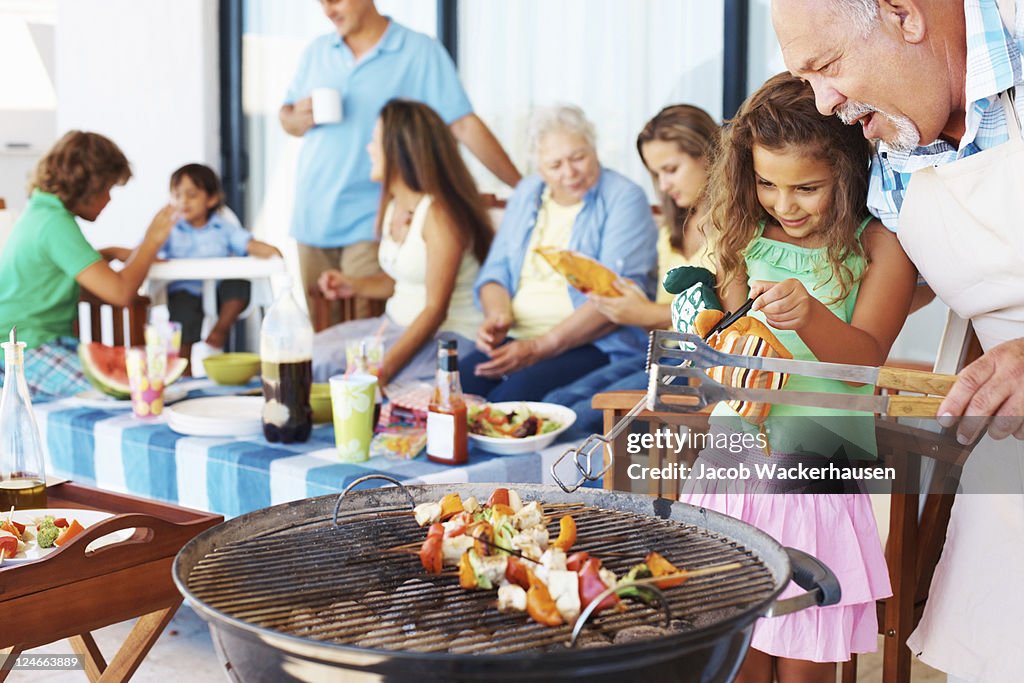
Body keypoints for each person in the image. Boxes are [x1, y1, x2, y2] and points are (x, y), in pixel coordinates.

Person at [772, 0, 1024, 679]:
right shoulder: (889, 153)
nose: (824, 104)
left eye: (827, 68)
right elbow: (871, 320)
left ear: (903, 15)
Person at [679, 73, 917, 682]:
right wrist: (711, 338)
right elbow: (733, 345)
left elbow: (865, 362)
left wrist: (809, 314)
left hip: (818, 464)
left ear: (849, 172)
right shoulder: (744, 236)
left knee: (804, 647)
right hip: (733, 464)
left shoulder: (879, 245)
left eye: (807, 187)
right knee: (739, 644)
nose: (784, 204)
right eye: (766, 184)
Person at [280, 0, 520, 323]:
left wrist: (522, 185)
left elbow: (462, 124)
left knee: (365, 344)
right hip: (313, 214)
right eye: (321, 1)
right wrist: (297, 118)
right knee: (323, 341)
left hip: (372, 220)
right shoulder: (317, 52)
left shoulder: (419, 52)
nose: (327, 10)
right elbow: (287, 117)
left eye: (335, 0)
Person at [459, 104, 659, 402]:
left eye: (578, 157)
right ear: (539, 167)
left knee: (508, 401)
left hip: (593, 344)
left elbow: (617, 293)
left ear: (593, 147)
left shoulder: (624, 197)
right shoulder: (527, 192)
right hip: (518, 336)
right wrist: (497, 315)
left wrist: (539, 347)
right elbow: (496, 272)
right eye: (555, 166)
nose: (569, 173)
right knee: (457, 387)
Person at [543, 104, 719, 438]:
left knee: (578, 417)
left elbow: (725, 314)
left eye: (670, 169)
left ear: (709, 155)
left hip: (703, 362)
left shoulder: (734, 228)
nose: (664, 185)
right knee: (559, 402)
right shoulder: (676, 228)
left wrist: (643, 312)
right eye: (656, 174)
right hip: (663, 349)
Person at [312, 99, 492, 387]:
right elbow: (403, 281)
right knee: (308, 353)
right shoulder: (395, 205)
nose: (369, 149)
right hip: (395, 324)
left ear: (399, 151)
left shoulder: (439, 214)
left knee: (322, 368)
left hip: (445, 338)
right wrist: (353, 284)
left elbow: (435, 310)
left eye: (375, 141)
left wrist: (381, 373)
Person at [0, 131, 177, 399]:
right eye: (106, 188)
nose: (109, 199)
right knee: (127, 392)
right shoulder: (54, 224)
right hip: (26, 348)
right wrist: (151, 241)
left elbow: (57, 266)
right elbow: (120, 293)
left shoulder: (40, 213)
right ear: (86, 186)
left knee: (137, 383)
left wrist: (111, 253)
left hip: (41, 343)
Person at [158, 163, 281, 357]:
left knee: (239, 283)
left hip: (219, 292)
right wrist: (116, 253)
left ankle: (220, 329)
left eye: (191, 195)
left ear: (212, 198)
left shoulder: (223, 228)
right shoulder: (168, 230)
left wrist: (273, 253)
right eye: (177, 195)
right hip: (185, 290)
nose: (183, 201)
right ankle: (183, 367)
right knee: (183, 315)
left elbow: (246, 243)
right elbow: (146, 252)